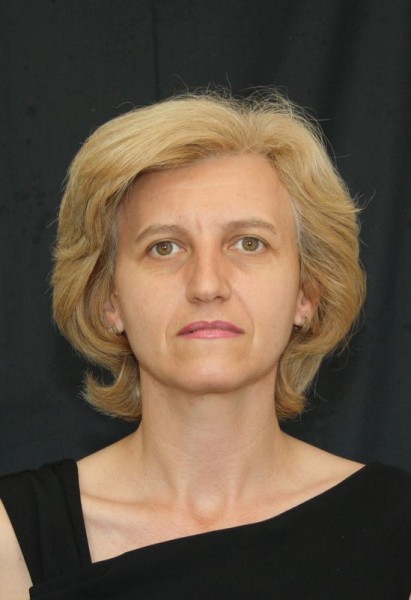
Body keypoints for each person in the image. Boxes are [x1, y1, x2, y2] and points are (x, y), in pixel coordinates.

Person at [0, 91, 410, 599]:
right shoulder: (12, 539)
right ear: (110, 299)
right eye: (164, 247)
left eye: (249, 243)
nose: (207, 284)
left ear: (306, 293)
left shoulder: (399, 533)